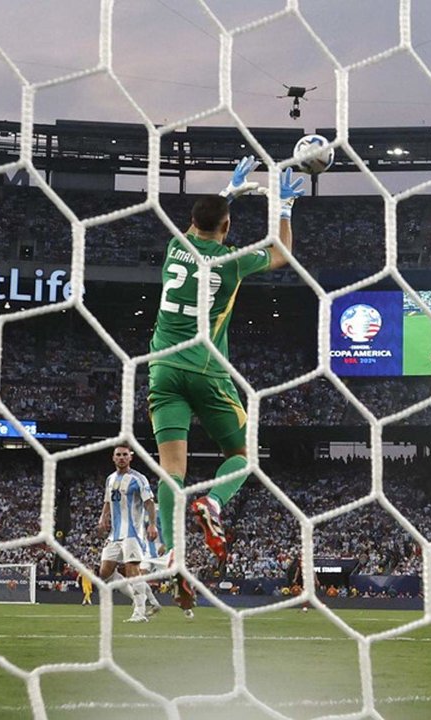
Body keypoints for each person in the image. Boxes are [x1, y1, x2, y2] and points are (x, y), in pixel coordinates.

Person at [148, 156, 304, 577]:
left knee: (172, 470)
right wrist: (284, 208)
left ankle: (170, 551)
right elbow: (280, 254)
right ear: (228, 228)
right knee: (244, 455)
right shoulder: (231, 261)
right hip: (207, 370)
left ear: (192, 221)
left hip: (162, 371)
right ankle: (214, 501)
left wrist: (226, 193)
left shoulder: (175, 248)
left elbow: (199, 225)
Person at [97, 444, 159, 623]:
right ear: (113, 458)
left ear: (130, 457)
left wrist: (152, 525)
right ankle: (139, 599)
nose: (122, 457)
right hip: (115, 534)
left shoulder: (139, 479)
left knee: (132, 570)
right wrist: (103, 518)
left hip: (133, 533)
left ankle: (139, 613)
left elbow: (149, 502)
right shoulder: (110, 479)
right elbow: (108, 501)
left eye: (125, 454)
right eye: (118, 455)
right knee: (105, 572)